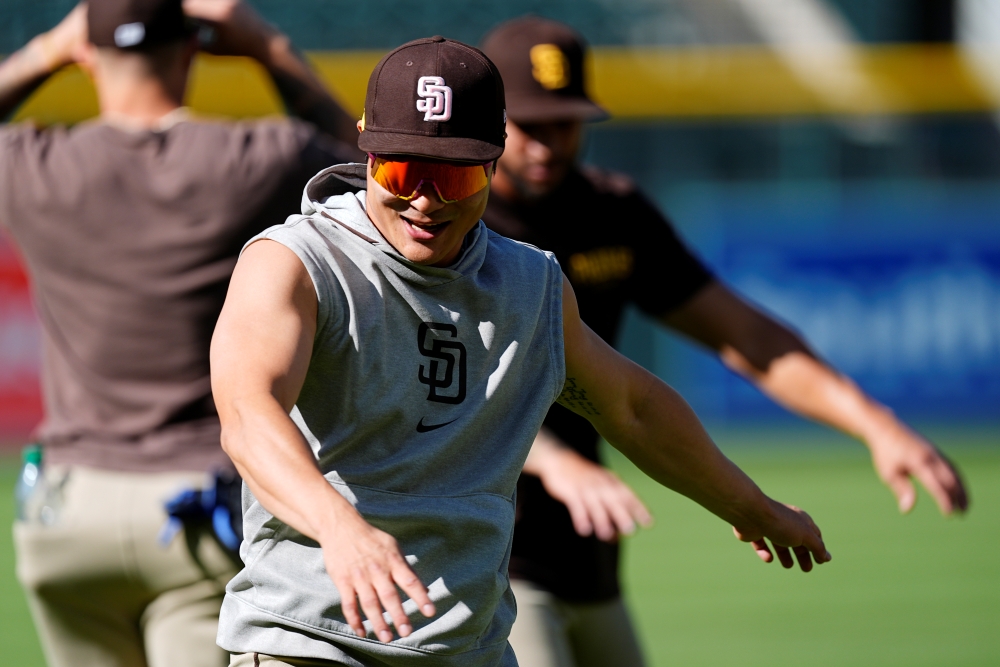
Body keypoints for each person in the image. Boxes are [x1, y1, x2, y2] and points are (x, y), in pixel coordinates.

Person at [210, 35, 832, 667]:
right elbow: (247, 412)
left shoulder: (528, 286)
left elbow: (633, 409)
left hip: (466, 648)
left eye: (452, 174)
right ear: (367, 152)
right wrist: (339, 527)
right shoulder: (295, 262)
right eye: (403, 171)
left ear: (493, 162)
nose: (427, 199)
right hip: (308, 639)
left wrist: (752, 507)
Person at [478, 16, 971, 667]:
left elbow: (748, 336)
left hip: (589, 552)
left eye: (563, 122)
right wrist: (554, 459)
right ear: (491, 121)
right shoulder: (459, 221)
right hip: (488, 558)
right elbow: (447, 384)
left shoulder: (611, 212)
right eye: (529, 124)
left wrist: (874, 422)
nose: (547, 144)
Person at [0, 0, 360, 665]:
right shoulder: (252, 156)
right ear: (193, 50)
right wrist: (265, 46)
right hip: (193, 508)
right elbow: (366, 166)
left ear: (85, 55)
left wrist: (44, 51)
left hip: (67, 510)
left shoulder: (30, 163)